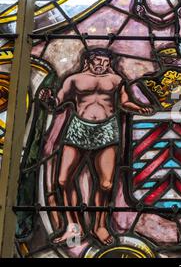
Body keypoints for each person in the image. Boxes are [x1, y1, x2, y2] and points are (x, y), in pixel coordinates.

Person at [39, 48, 153, 245]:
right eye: (98, 61)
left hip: (106, 130)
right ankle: (74, 226)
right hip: (79, 129)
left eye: (106, 62)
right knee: (64, 179)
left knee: (106, 183)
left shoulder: (116, 80)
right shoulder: (73, 79)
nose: (102, 65)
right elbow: (58, 102)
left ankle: (99, 226)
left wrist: (139, 108)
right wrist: (47, 99)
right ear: (88, 61)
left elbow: (124, 102)